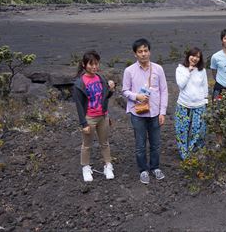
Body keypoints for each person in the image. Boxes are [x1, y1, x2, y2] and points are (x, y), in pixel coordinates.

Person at [122, 38, 168, 184]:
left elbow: (164, 91)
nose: (143, 54)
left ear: (150, 51)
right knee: (140, 144)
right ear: (135, 54)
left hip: (155, 112)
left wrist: (162, 112)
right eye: (140, 51)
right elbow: (124, 90)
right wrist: (137, 96)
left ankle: (155, 167)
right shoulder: (129, 71)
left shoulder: (158, 69)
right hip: (138, 113)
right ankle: (143, 170)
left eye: (145, 50)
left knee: (156, 143)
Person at [72, 50, 115, 182]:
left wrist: (111, 90)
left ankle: (108, 165)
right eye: (91, 64)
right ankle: (85, 167)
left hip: (102, 116)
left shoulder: (100, 78)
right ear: (84, 65)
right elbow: (79, 105)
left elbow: (105, 97)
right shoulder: (79, 83)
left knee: (105, 143)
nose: (94, 67)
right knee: (87, 145)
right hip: (89, 117)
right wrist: (83, 124)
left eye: (96, 64)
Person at [174, 47, 209, 160]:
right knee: (182, 131)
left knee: (198, 132)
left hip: (199, 105)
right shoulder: (180, 69)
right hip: (183, 104)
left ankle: (193, 153)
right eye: (193, 55)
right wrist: (188, 71)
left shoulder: (202, 70)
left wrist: (205, 101)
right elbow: (181, 85)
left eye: (197, 56)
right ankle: (184, 155)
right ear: (188, 56)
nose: (195, 58)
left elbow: (204, 86)